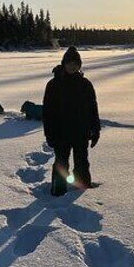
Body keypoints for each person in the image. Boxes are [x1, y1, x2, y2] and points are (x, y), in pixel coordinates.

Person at [43, 46, 101, 195]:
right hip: (60, 133)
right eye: (69, 63)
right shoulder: (53, 85)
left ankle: (82, 190)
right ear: (64, 64)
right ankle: (58, 191)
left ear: (79, 65)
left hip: (81, 132)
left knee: (82, 163)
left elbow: (93, 109)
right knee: (61, 163)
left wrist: (96, 131)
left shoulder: (86, 84)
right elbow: (48, 112)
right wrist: (49, 134)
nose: (72, 66)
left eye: (75, 63)